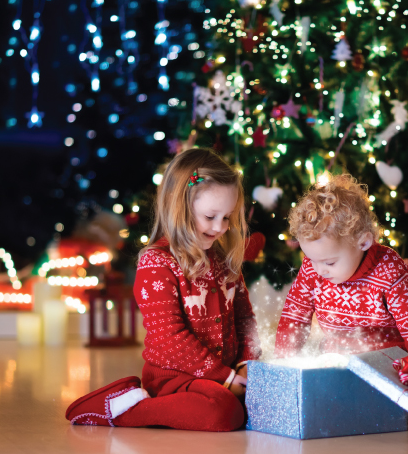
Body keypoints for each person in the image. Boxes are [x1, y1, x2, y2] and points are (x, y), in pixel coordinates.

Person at [65, 149, 261, 431]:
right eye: (210, 216)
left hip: (224, 375)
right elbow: (171, 338)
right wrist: (225, 378)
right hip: (175, 378)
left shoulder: (225, 261)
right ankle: (123, 409)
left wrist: (246, 365)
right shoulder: (156, 263)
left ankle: (227, 393)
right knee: (222, 413)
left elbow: (245, 320)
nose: (220, 227)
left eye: (227, 217)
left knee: (259, 405)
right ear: (179, 206)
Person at [275, 173, 408, 358]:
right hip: (336, 359)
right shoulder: (313, 269)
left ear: (363, 243)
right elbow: (294, 316)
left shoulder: (391, 272)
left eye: (329, 262)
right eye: (310, 259)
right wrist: (282, 360)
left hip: (386, 361)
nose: (318, 270)